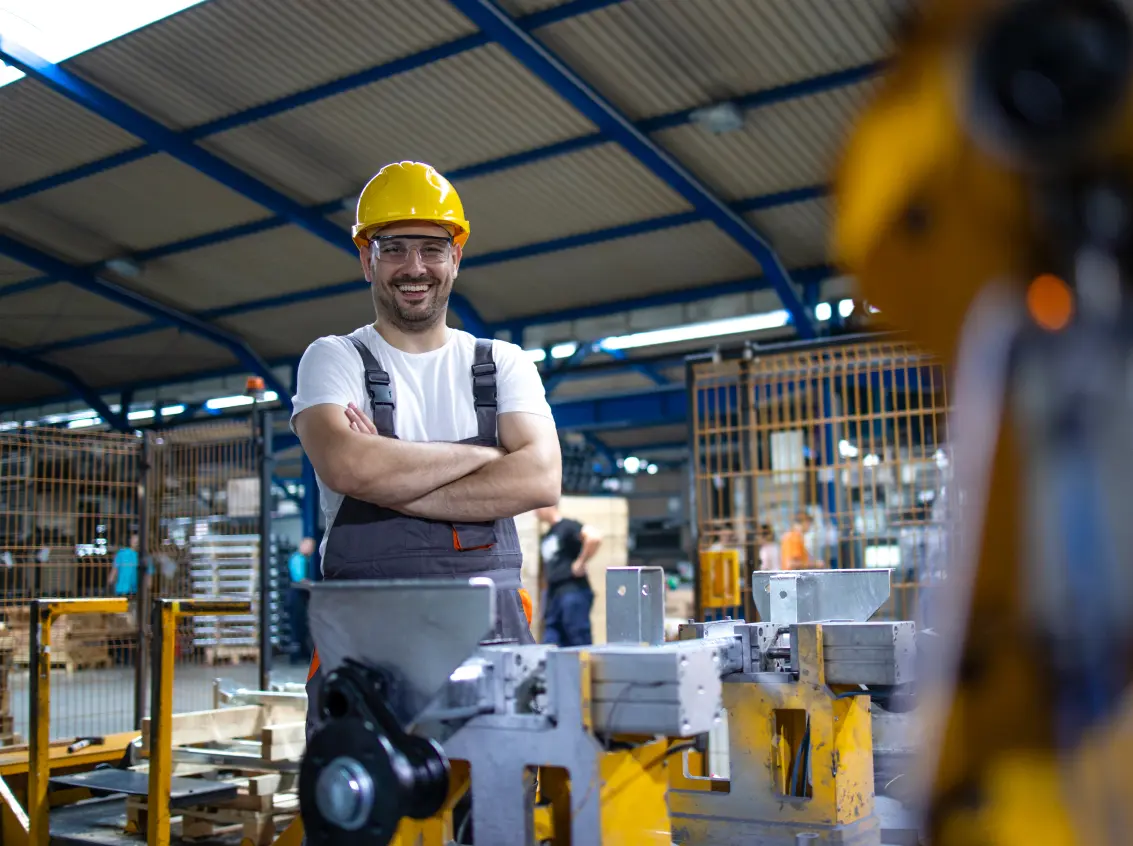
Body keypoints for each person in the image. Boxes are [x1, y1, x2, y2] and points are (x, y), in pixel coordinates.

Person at [291, 160, 562, 737]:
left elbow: (539, 480)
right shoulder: (334, 359)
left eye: (432, 248)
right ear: (367, 259)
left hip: (492, 647)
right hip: (366, 653)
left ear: (455, 258)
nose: (415, 268)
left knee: (495, 817)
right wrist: (486, 458)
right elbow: (346, 465)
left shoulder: (501, 363)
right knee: (365, 810)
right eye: (394, 249)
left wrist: (388, 477)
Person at [535, 504, 602, 647]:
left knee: (578, 640)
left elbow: (594, 537)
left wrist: (581, 561)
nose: (535, 513)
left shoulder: (567, 526)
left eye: (537, 508)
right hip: (554, 595)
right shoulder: (547, 536)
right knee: (551, 642)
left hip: (572, 590)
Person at [286, 537, 314, 665]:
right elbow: (299, 580)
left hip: (301, 597)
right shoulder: (298, 559)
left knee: (303, 626)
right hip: (296, 597)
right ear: (302, 545)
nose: (311, 549)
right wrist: (312, 585)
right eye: (309, 546)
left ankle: (303, 653)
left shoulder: (304, 560)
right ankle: (295, 656)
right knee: (297, 626)